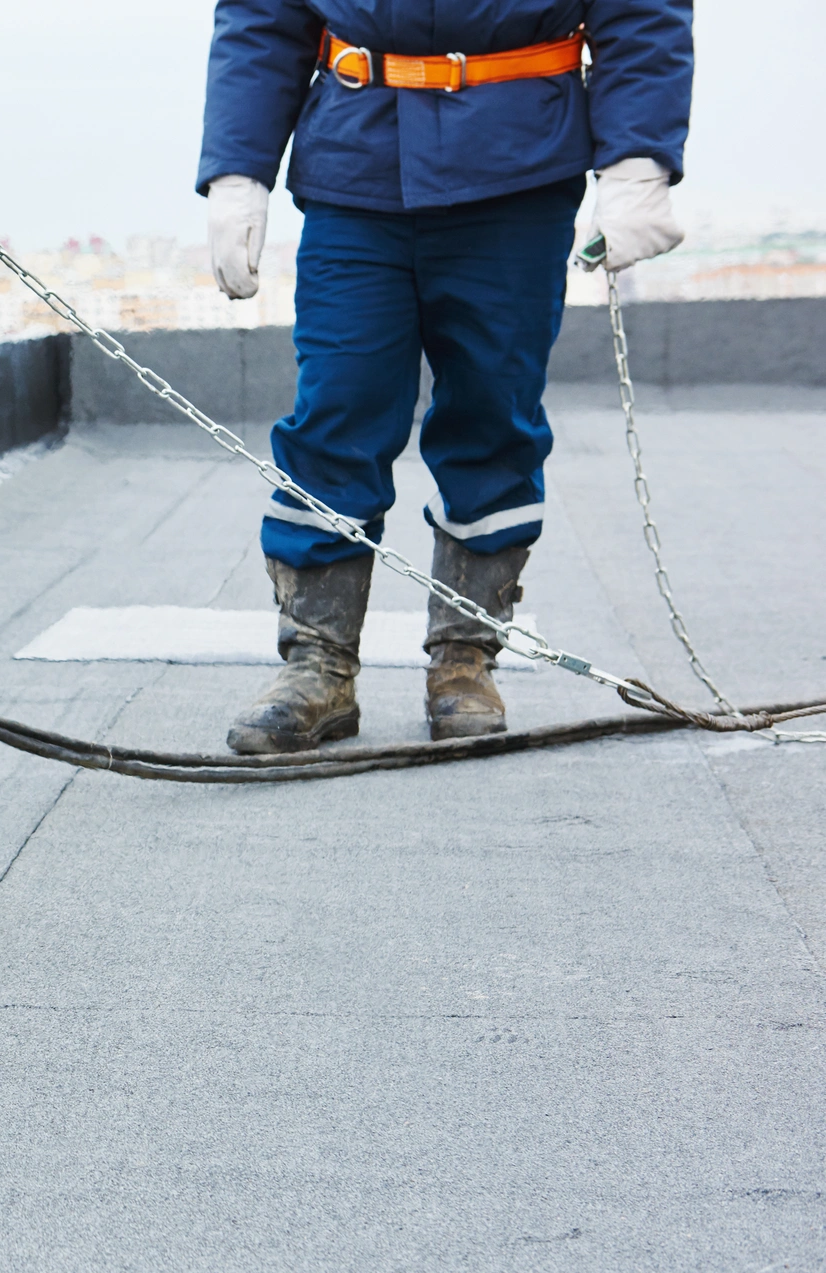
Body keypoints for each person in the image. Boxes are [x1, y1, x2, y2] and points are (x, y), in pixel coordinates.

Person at [198, 1, 692, 752]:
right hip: (356, 168)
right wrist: (238, 170)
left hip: (516, 169)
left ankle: (465, 658)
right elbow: (264, 17)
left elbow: (642, 12)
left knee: (493, 418)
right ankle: (317, 667)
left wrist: (638, 160)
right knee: (336, 407)